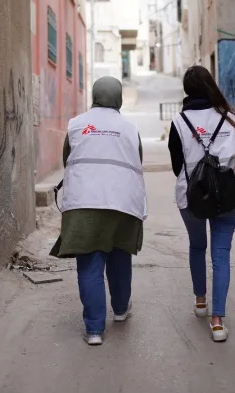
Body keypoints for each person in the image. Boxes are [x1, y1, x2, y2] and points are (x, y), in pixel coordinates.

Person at [50, 76, 147, 346]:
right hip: (122, 202)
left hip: (84, 202)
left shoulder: (76, 124)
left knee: (90, 263)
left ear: (94, 96)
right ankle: (119, 310)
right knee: (119, 256)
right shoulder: (129, 128)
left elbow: (68, 160)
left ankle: (94, 329)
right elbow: (137, 160)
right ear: (119, 99)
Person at [167, 66, 235, 342]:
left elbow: (178, 166)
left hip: (191, 197)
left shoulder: (178, 122)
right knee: (221, 255)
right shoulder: (231, 117)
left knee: (197, 246)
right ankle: (218, 321)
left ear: (187, 91)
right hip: (226, 196)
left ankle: (201, 301)